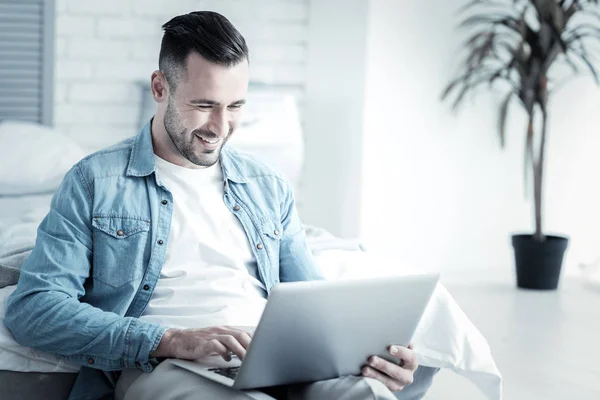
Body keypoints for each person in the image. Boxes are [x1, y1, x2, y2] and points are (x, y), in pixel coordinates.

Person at [5, 11, 438, 400]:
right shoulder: (94, 181)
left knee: (368, 394)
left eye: (235, 106)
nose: (220, 126)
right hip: (170, 366)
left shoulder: (266, 185)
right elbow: (35, 307)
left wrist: (368, 353)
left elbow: (311, 299)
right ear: (161, 87)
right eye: (203, 105)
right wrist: (171, 339)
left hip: (283, 362)